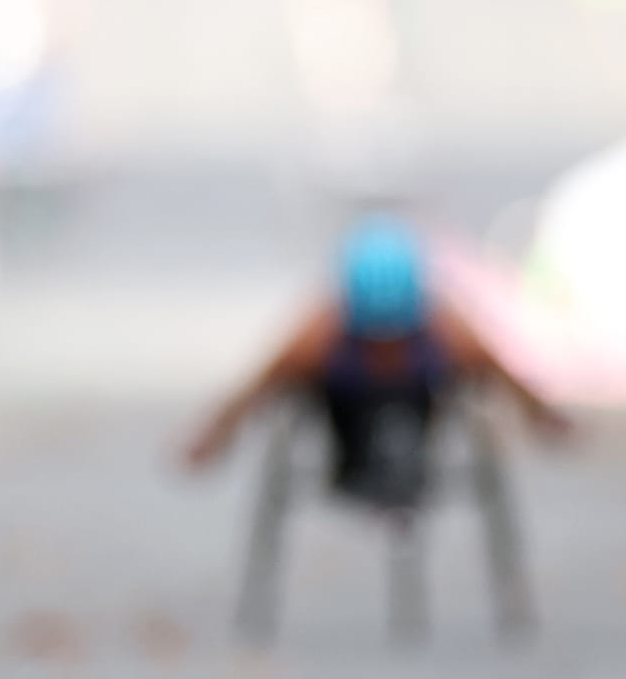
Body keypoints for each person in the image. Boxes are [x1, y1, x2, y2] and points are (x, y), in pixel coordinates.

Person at [183, 207, 572, 506]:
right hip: (346, 423)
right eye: (374, 340)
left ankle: (403, 466)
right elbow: (257, 388)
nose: (386, 351)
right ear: (352, 319)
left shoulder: (449, 331)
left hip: (421, 416)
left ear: (417, 317)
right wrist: (215, 436)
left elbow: (506, 375)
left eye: (397, 339)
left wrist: (542, 416)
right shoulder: (317, 335)